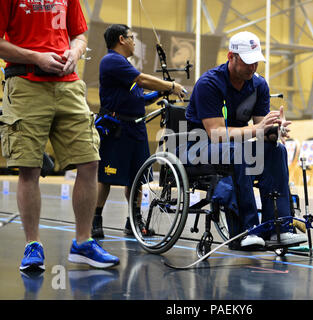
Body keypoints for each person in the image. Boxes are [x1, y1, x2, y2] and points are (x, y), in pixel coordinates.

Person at [0, 0, 119, 271]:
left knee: (89, 160)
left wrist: (75, 53)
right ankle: (33, 245)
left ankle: (82, 243)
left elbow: (79, 34)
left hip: (69, 85)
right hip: (26, 83)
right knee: (29, 167)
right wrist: (35, 56)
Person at [185, 31, 307, 249]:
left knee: (276, 150)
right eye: (248, 62)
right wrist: (257, 129)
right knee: (239, 151)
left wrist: (275, 130)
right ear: (231, 57)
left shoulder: (259, 85)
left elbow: (262, 128)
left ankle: (278, 228)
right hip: (199, 146)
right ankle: (247, 230)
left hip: (236, 147)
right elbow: (215, 133)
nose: (253, 68)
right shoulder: (209, 83)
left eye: (256, 62)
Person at [91, 24, 186, 238]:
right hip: (117, 128)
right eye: (131, 38)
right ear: (121, 39)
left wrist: (160, 93)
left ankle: (133, 221)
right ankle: (95, 219)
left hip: (136, 129)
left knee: (138, 177)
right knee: (105, 176)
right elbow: (141, 79)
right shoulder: (112, 61)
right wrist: (170, 86)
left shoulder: (123, 65)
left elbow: (139, 98)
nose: (134, 42)